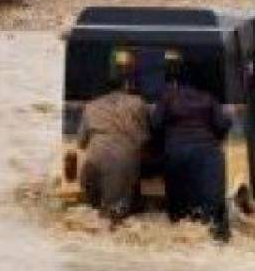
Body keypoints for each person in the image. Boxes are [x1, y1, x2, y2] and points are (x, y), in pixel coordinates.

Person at [152, 55, 232, 241]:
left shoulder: (167, 98)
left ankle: (181, 240)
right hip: (207, 154)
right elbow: (222, 124)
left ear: (176, 80)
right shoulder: (209, 99)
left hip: (176, 153)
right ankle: (216, 241)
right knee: (211, 208)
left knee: (178, 206)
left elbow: (155, 124)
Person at [77, 54, 150, 224]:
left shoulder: (90, 106)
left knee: (92, 212)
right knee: (115, 216)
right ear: (126, 85)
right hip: (122, 162)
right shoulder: (137, 103)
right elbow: (144, 137)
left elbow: (81, 143)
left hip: (93, 162)